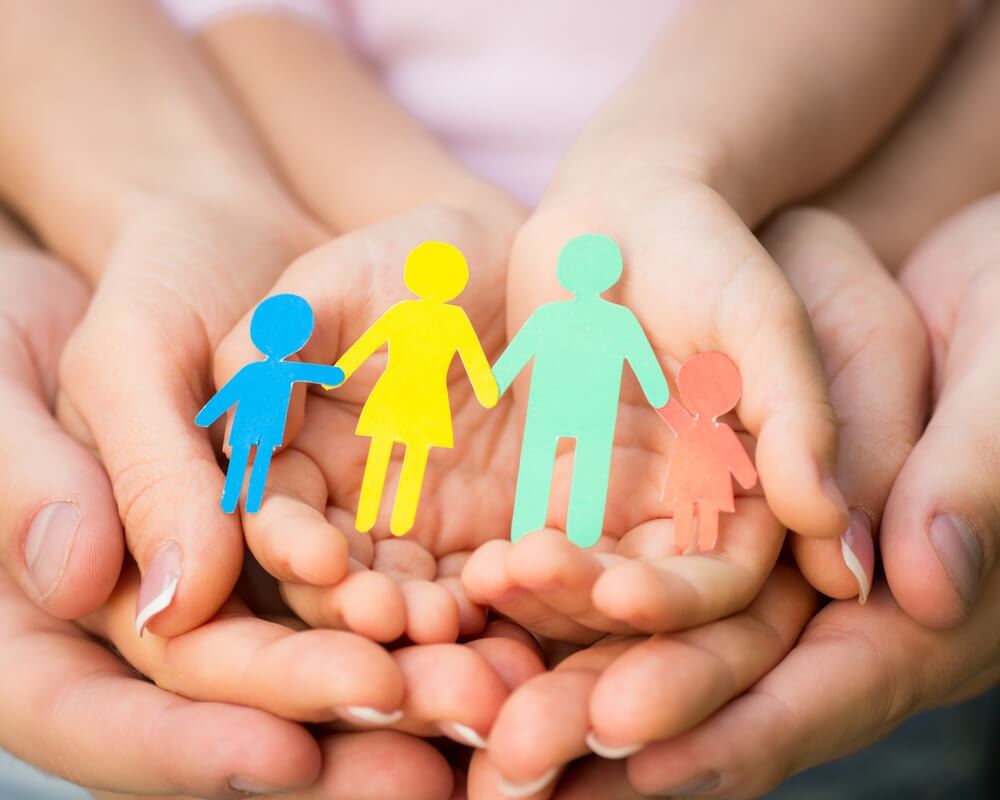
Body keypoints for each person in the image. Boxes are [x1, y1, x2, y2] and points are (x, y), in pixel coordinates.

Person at [493, 233, 668, 548]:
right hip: (593, 410)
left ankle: (532, 529)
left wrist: (492, 385)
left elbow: (513, 358)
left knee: (540, 461)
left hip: (549, 406)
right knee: (591, 465)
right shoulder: (619, 320)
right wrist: (660, 397)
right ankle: (581, 533)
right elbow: (647, 370)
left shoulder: (549, 315)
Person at [335, 241, 499, 536]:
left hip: (402, 392)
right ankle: (388, 518)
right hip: (420, 396)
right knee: (410, 454)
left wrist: (341, 371)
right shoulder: (451, 318)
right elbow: (474, 362)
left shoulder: (407, 313)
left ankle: (379, 517)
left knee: (386, 450)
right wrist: (486, 388)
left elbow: (366, 346)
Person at [195, 293, 345, 515]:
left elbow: (229, 394)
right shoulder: (283, 370)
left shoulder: (255, 369)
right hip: (266, 423)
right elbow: (325, 375)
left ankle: (238, 501)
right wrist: (335, 374)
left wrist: (207, 415)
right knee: (258, 457)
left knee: (248, 457)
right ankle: (247, 501)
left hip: (253, 421)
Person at [657, 352, 758, 552]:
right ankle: (688, 543)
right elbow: (664, 407)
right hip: (700, 483)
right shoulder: (709, 429)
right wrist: (747, 477)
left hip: (694, 482)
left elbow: (665, 407)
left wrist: (747, 477)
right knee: (696, 508)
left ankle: (694, 545)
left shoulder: (691, 426)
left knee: (696, 508)